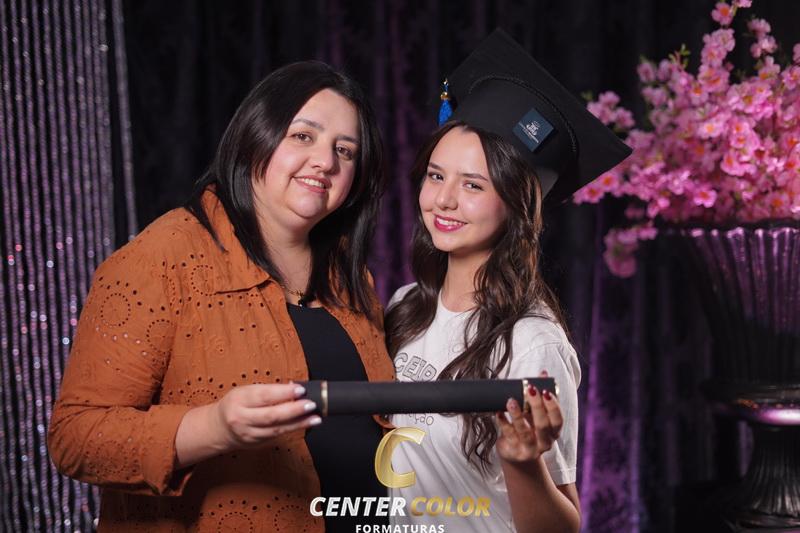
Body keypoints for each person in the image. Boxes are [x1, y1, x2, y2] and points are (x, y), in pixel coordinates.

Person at [48, 61, 395, 532]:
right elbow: (75, 438)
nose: (325, 161)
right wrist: (213, 428)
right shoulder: (162, 258)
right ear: (255, 136)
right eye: (302, 136)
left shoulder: (351, 278)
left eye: (345, 150)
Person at [385, 30, 631, 532]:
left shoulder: (533, 344)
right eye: (436, 175)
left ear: (516, 205)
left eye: (474, 185)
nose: (444, 200)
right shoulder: (404, 307)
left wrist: (523, 462)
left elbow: (564, 527)